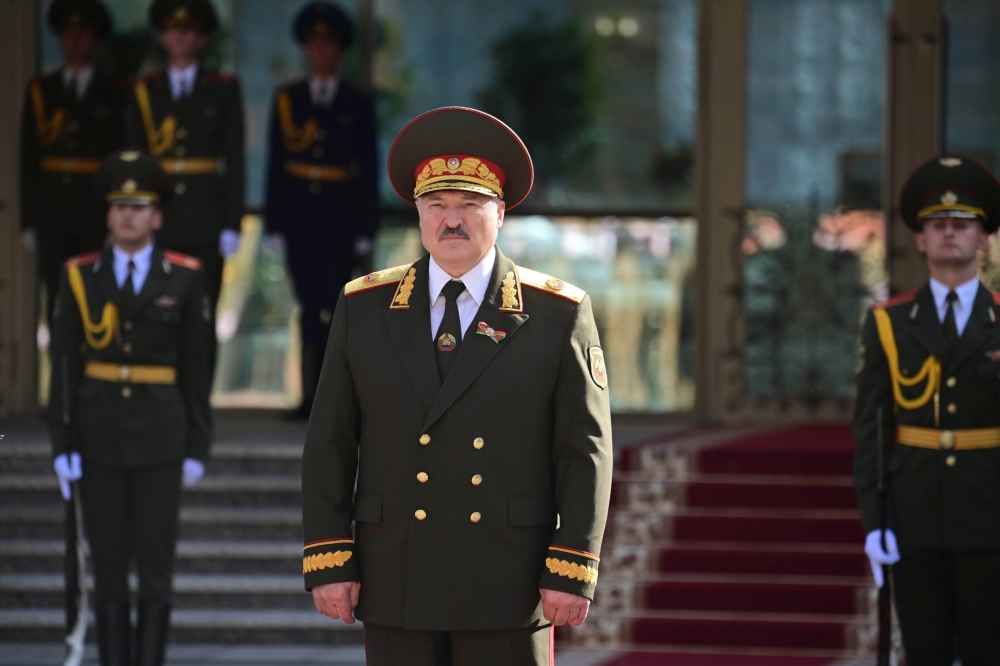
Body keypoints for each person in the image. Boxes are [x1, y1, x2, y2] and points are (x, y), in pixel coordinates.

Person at [301, 107, 614, 666]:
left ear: (500, 214)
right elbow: (329, 441)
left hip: (507, 578)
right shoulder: (365, 306)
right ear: (418, 214)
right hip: (397, 571)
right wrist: (330, 556)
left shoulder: (555, 313)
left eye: (470, 205)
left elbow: (584, 450)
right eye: (436, 205)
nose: (452, 220)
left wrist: (572, 563)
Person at [48, 151, 212, 666]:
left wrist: (197, 445)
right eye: (119, 205)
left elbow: (197, 368)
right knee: (110, 566)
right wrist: (62, 444)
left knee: (156, 566)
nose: (128, 215)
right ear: (108, 215)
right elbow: (64, 368)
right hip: (97, 436)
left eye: (139, 206)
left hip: (162, 436)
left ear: (157, 216)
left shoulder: (185, 277)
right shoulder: (79, 276)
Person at [854, 155, 1000, 665]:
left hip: (991, 518)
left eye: (962, 224)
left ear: (984, 239)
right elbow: (872, 430)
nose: (949, 234)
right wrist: (875, 522)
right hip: (914, 516)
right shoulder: (889, 324)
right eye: (938, 224)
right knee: (925, 654)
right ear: (920, 238)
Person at [264, 1, 378, 419]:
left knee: (338, 305)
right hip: (299, 216)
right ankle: (309, 395)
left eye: (329, 45)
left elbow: (367, 165)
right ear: (306, 50)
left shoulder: (357, 101)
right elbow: (276, 163)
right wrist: (274, 221)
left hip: (340, 216)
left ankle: (335, 400)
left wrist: (367, 223)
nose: (321, 52)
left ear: (340, 50)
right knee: (308, 305)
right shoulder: (287, 99)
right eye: (315, 45)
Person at [125, 0, 245, 371]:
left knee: (202, 311)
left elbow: (235, 160)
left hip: (206, 217)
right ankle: (162, 401)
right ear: (162, 37)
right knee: (155, 309)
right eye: (173, 29)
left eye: (189, 30)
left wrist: (232, 221)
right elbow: (135, 160)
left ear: (200, 38)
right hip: (158, 217)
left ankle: (198, 408)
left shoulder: (222, 88)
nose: (180, 36)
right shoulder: (144, 89)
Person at [20, 0, 125, 325]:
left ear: (96, 40)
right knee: (55, 299)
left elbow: (119, 159)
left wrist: (116, 214)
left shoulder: (115, 92)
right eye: (68, 33)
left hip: (93, 211)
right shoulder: (42, 90)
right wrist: (28, 220)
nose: (75, 41)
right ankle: (60, 376)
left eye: (83, 33)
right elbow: (28, 159)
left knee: (93, 298)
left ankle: (87, 375)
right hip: (51, 212)